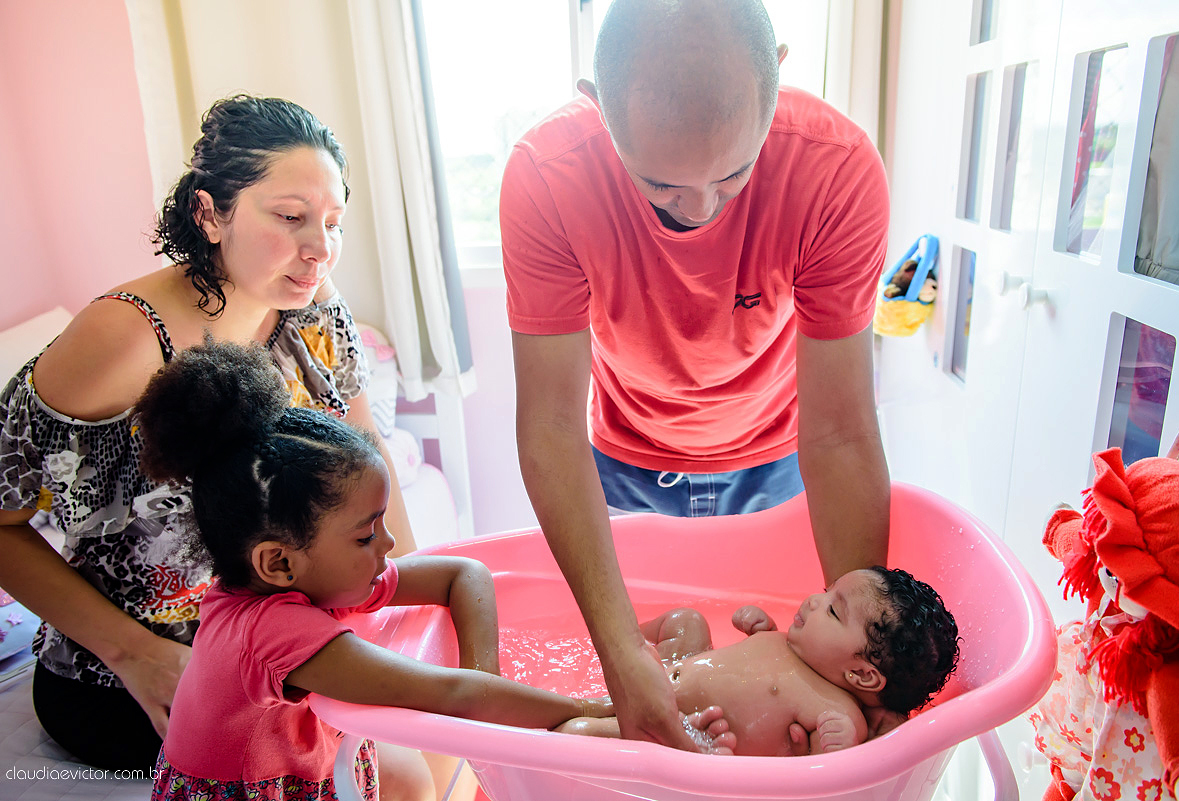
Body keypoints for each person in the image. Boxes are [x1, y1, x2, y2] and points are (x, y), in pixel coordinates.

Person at [0, 95, 427, 783]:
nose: (319, 247)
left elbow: (365, 452)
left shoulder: (312, 305)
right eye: (290, 217)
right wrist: (135, 652)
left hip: (292, 644)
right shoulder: (125, 337)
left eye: (332, 222)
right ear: (209, 213)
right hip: (146, 679)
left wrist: (397, 606)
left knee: (419, 764)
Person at [499, 0, 891, 749]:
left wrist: (864, 669)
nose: (704, 208)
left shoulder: (836, 168)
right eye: (663, 187)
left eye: (735, 172)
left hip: (777, 458)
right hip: (619, 462)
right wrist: (620, 654)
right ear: (597, 103)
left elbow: (840, 429)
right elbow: (549, 423)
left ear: (776, 71)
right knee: (624, 696)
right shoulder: (547, 177)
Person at [132, 339, 609, 801]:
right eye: (365, 536)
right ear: (278, 561)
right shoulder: (272, 632)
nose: (389, 543)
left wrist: (485, 676)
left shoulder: (317, 578)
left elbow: (465, 574)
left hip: (297, 768)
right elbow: (454, 695)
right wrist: (598, 712)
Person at [557, 567, 959, 756]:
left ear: (862, 674)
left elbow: (830, 782)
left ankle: (576, 718)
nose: (814, 601)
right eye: (826, 590)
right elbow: (753, 668)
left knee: (575, 733)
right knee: (686, 620)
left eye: (833, 612)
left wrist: (836, 748)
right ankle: (608, 651)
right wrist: (763, 631)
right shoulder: (801, 647)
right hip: (674, 671)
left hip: (685, 728)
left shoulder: (838, 715)